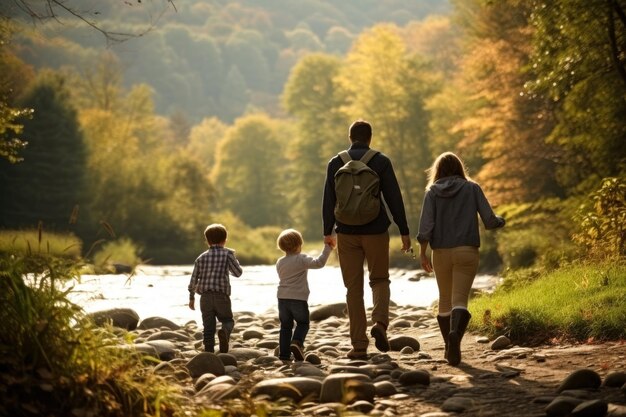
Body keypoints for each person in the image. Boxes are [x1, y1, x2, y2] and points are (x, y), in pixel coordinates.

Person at [322, 119, 411, 360]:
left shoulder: (335, 162)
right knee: (380, 279)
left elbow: (329, 200)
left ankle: (359, 345)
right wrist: (404, 229)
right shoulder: (380, 161)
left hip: (346, 232)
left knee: (353, 289)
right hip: (376, 230)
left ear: (350, 137)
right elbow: (394, 197)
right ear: (369, 138)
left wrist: (327, 232)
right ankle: (380, 325)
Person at [416, 152, 505, 366]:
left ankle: (449, 346)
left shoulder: (432, 192)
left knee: (444, 299)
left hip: (441, 253)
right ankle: (455, 336)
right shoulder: (472, 188)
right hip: (466, 250)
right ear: (459, 168)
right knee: (460, 300)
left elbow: (426, 226)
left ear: (437, 170)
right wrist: (502, 220)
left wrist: (422, 252)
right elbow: (490, 221)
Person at [275, 228, 335, 361]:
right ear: (298, 245)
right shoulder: (301, 259)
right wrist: (328, 248)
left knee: (285, 327)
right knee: (303, 323)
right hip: (298, 298)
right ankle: (297, 342)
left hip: (282, 298)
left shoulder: (280, 262)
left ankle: (284, 355)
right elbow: (319, 263)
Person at [188, 223, 243, 353]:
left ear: (207, 241)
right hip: (221, 296)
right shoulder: (228, 254)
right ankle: (224, 333)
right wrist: (233, 260)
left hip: (205, 298)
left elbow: (193, 280)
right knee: (227, 321)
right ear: (225, 240)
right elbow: (238, 273)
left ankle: (208, 352)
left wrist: (191, 298)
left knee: (208, 327)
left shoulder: (200, 258)